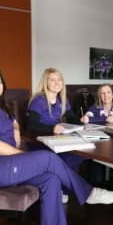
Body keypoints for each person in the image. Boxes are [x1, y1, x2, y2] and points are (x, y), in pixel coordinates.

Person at [0, 65, 113, 225]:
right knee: (48, 158)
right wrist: (25, 157)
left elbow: (15, 122)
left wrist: (16, 130)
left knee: (52, 179)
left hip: (5, 164)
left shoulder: (1, 107)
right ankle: (88, 193)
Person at [27, 67, 87, 203]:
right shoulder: (39, 100)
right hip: (39, 143)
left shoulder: (62, 100)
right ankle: (62, 189)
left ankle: (61, 188)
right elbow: (32, 125)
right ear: (45, 82)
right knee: (69, 157)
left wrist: (81, 122)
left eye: (59, 79)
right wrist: (52, 128)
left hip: (55, 140)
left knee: (79, 155)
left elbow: (72, 118)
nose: (57, 83)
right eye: (52, 80)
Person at [80, 83, 113, 184]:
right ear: (99, 96)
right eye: (102, 93)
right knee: (97, 179)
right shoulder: (94, 108)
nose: (106, 96)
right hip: (98, 143)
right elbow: (88, 118)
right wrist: (105, 119)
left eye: (108, 92)